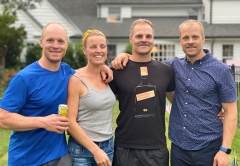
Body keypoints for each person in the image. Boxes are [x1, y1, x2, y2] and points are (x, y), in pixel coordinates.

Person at [111, 19, 238, 166]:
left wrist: (224, 150)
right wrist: (125, 56)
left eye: (195, 37)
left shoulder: (221, 70)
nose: (190, 41)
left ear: (203, 39)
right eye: (186, 38)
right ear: (180, 41)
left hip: (209, 147)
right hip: (179, 148)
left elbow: (231, 111)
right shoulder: (171, 66)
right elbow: (144, 61)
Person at [0, 23, 112, 166]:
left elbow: (87, 73)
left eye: (60, 41)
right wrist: (43, 122)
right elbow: (2, 118)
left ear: (66, 45)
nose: (55, 45)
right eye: (50, 40)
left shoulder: (66, 71)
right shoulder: (25, 78)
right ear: (41, 42)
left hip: (61, 157)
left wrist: (102, 66)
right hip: (28, 159)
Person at [109, 19, 175, 166]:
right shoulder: (117, 71)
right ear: (130, 38)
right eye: (139, 36)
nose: (144, 40)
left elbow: (179, 103)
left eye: (148, 36)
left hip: (156, 148)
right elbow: (102, 103)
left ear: (153, 39)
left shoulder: (166, 71)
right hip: (124, 147)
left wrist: (214, 111)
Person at [67, 30, 116, 166]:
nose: (98, 50)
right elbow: (70, 122)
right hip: (82, 150)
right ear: (85, 50)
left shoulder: (107, 76)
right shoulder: (76, 80)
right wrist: (95, 150)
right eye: (93, 47)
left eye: (102, 46)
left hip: (108, 146)